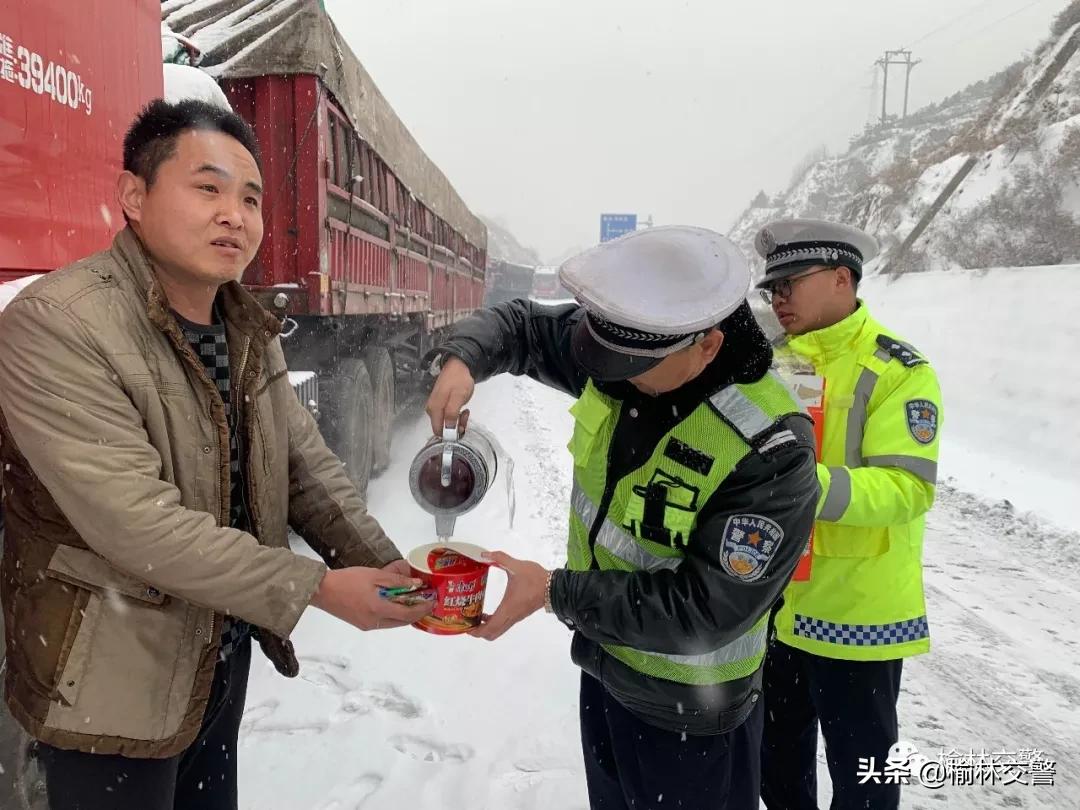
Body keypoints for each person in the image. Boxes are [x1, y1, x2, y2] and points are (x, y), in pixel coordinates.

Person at [0, 99, 432, 810]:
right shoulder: (60, 325)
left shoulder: (247, 326)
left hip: (212, 653)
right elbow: (136, 524)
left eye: (251, 197)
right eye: (208, 188)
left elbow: (305, 466)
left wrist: (380, 565)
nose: (235, 214)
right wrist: (316, 588)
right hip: (107, 676)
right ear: (133, 197)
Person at [425, 226, 820, 809]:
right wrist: (463, 360)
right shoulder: (631, 356)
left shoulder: (769, 447)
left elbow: (707, 609)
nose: (609, 372)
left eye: (630, 362)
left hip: (694, 717)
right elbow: (523, 325)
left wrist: (554, 592)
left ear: (707, 345)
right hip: (608, 675)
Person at [753, 219, 943, 810]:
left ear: (842, 278)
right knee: (777, 771)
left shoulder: (897, 371)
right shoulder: (769, 366)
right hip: (774, 610)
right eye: (770, 289)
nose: (777, 299)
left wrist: (801, 487)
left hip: (857, 621)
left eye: (789, 283)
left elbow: (906, 488)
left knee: (864, 785)